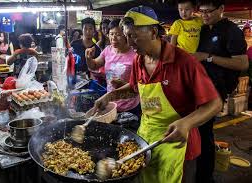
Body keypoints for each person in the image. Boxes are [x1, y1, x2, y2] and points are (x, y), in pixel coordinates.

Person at [94, 6, 222, 183]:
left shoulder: (184, 62)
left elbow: (215, 104)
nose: (129, 41)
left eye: (133, 35)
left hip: (179, 146)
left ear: (153, 32)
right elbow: (134, 88)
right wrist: (109, 97)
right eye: (126, 36)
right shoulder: (139, 59)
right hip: (146, 140)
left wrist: (187, 123)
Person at [193, 0, 248, 182]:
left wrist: (208, 58)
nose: (205, 15)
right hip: (200, 87)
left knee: (205, 133)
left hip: (216, 89)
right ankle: (199, 172)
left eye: (209, 11)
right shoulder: (203, 29)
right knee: (200, 132)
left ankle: (205, 177)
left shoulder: (231, 31)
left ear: (221, 9)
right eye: (202, 12)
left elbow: (242, 63)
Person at [85, 19, 140, 130]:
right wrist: (88, 58)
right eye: (111, 34)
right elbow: (94, 65)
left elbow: (139, 84)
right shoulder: (108, 50)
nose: (113, 38)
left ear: (126, 35)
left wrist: (123, 84)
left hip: (130, 107)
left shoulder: (135, 55)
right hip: (110, 105)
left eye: (118, 34)